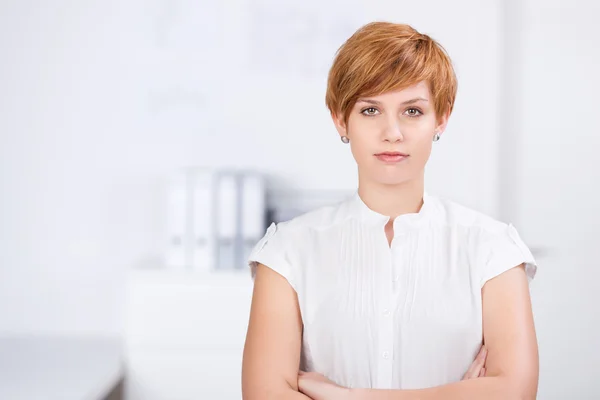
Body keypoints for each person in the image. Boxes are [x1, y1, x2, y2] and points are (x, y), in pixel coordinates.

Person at [241, 21, 539, 400]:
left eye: (413, 111)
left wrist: (350, 397)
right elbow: (264, 395)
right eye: (370, 110)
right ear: (339, 118)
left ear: (441, 118)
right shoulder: (287, 251)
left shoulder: (492, 248)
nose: (392, 132)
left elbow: (515, 393)